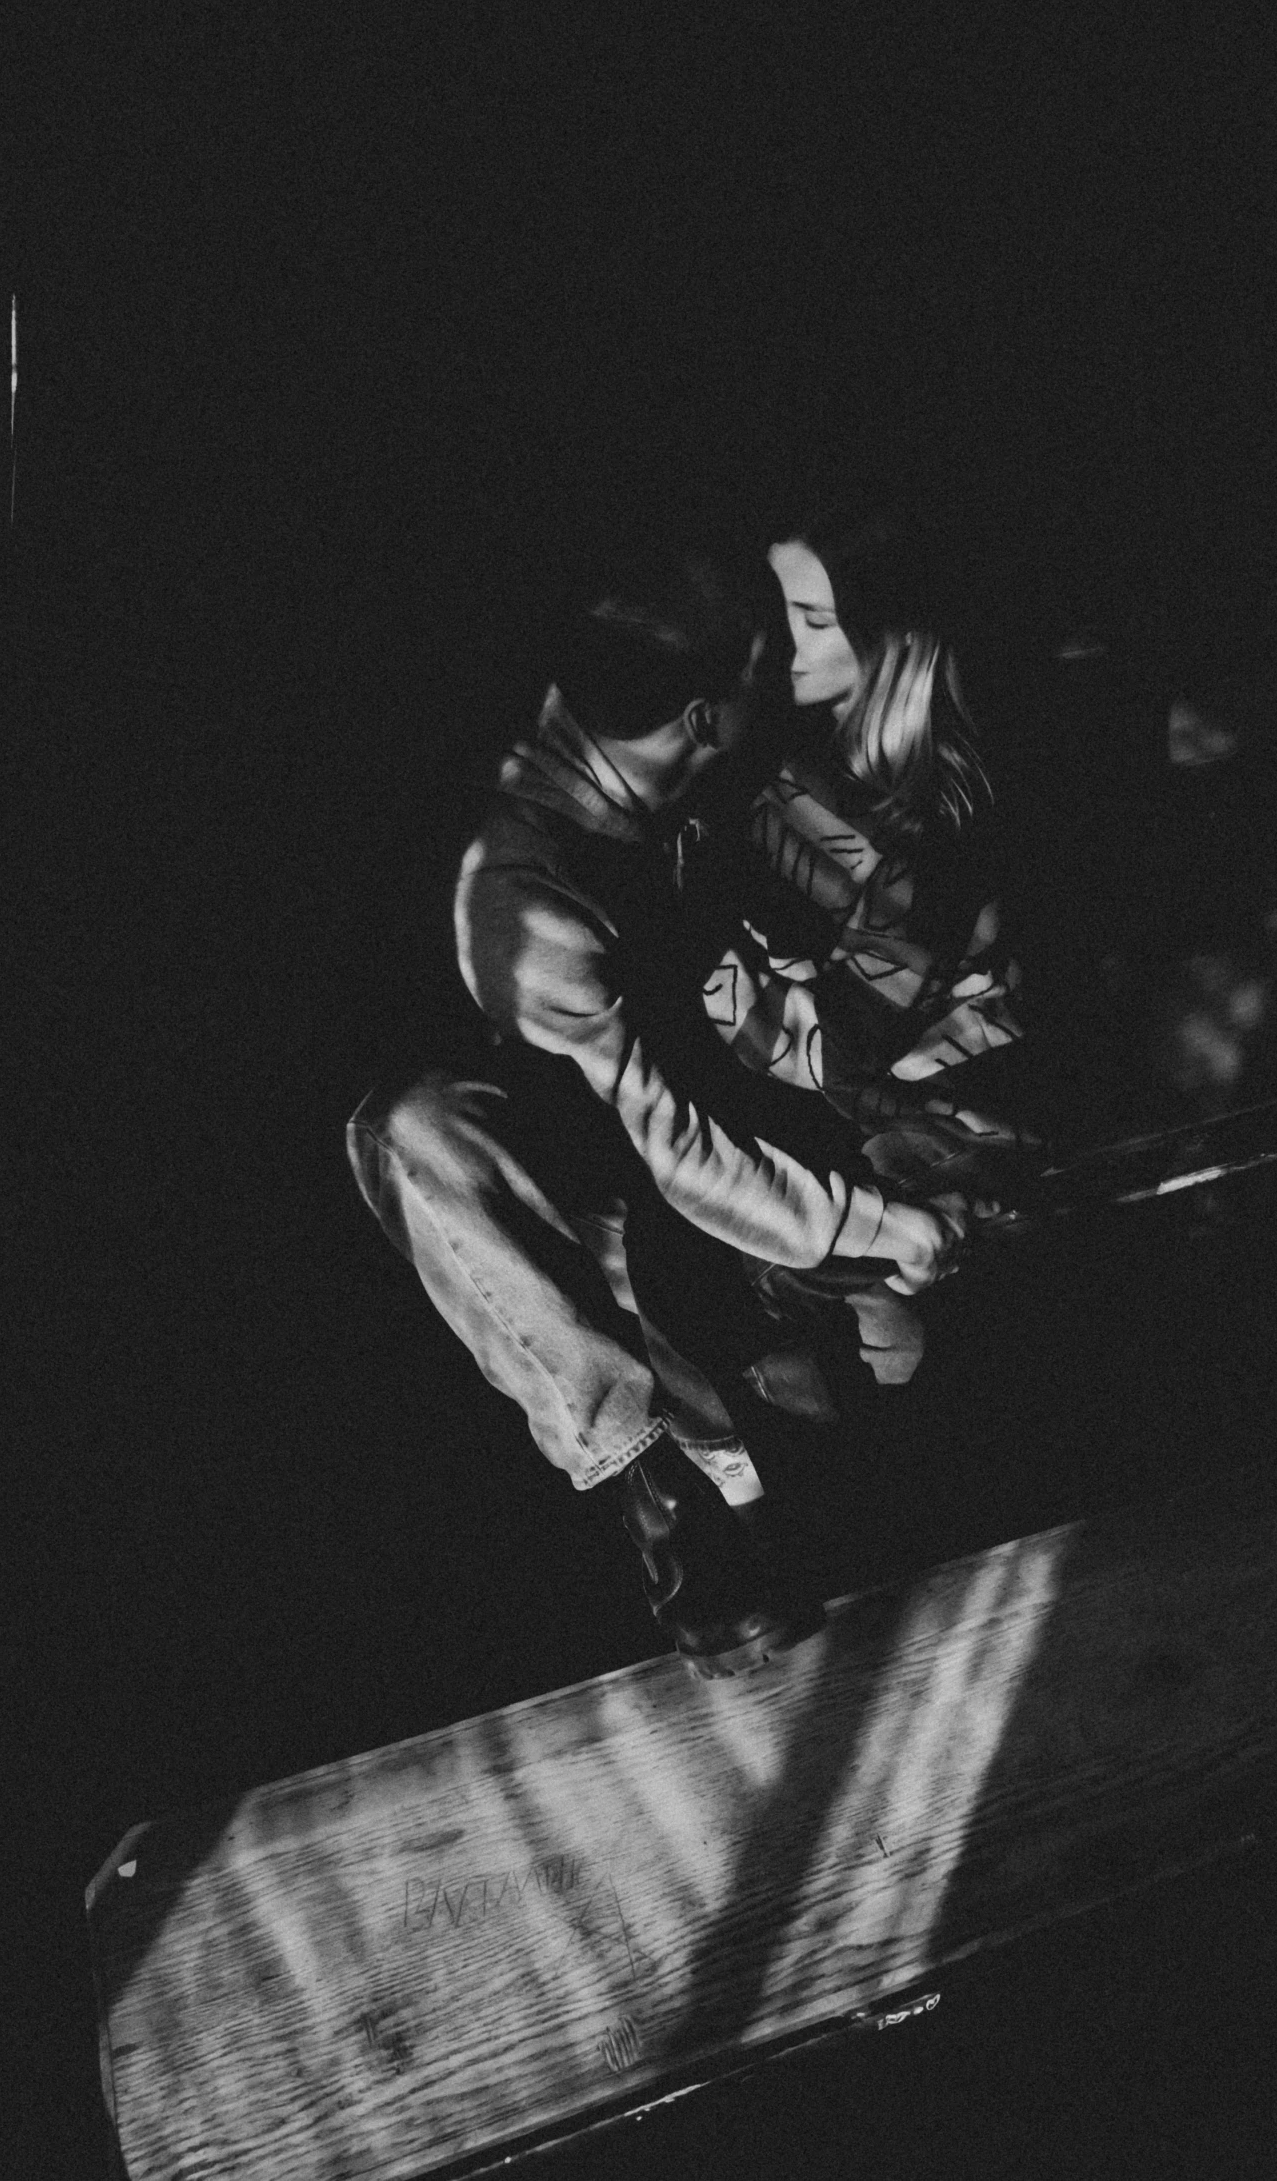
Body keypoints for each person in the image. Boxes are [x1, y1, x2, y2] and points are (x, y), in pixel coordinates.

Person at [345, 543, 973, 1678]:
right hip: (621, 1210)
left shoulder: (694, 790)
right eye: (765, 661)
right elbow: (674, 1147)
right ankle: (660, 1497)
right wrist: (875, 1226)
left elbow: (815, 1000)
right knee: (407, 1131)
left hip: (741, 1204)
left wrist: (893, 1127)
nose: (785, 673)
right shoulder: (524, 900)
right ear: (705, 712)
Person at [682, 507, 1045, 1382]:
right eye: (775, 612)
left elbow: (832, 1051)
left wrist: (685, 947)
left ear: (893, 646)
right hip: (814, 1089)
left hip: (927, 1117)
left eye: (812, 622)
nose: (780, 642)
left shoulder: (926, 840)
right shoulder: (773, 751)